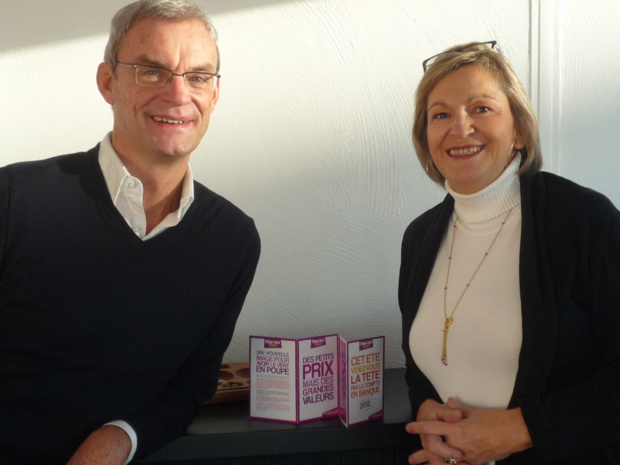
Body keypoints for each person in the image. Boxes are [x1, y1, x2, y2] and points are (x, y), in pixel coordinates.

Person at [0, 1, 260, 463]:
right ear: (107, 82)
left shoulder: (233, 239)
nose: (179, 95)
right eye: (152, 71)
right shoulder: (13, 198)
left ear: (214, 95)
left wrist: (115, 440)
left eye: (198, 76)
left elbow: (188, 390)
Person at [398, 41, 620, 464]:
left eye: (481, 108)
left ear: (518, 130)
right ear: (426, 139)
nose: (460, 128)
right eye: (440, 114)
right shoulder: (420, 237)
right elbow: (419, 366)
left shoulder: (582, 219)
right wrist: (427, 411)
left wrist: (523, 430)